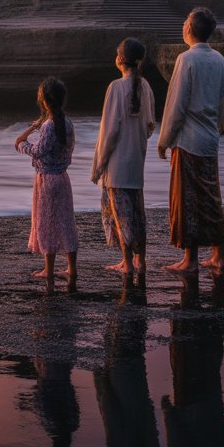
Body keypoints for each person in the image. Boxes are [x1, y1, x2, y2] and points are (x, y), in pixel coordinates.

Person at [157, 6, 224, 275]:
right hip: (210, 138)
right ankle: (218, 255)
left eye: (185, 21)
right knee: (211, 197)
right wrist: (220, 125)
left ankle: (189, 259)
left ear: (189, 28)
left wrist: (164, 140)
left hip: (188, 140)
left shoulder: (186, 59)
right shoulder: (219, 60)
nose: (183, 25)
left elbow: (176, 104)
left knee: (187, 199)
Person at [92, 38, 156, 275]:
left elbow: (109, 132)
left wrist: (98, 166)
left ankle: (127, 263)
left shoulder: (116, 87)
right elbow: (150, 125)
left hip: (118, 165)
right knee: (137, 214)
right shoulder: (145, 86)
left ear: (119, 59)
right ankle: (141, 260)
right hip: (136, 162)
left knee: (122, 216)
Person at [15, 77, 79, 293]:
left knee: (47, 224)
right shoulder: (67, 123)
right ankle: (72, 269)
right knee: (66, 223)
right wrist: (36, 127)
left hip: (47, 181)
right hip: (63, 179)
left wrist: (22, 144)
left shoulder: (49, 126)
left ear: (44, 101)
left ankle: (48, 271)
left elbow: (38, 151)